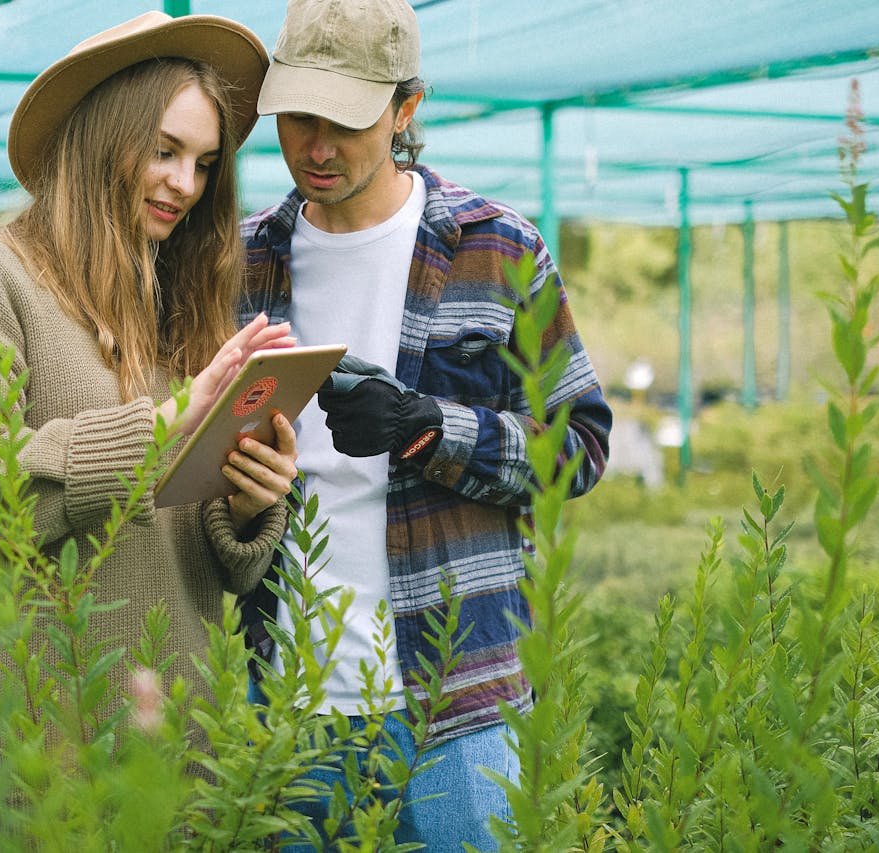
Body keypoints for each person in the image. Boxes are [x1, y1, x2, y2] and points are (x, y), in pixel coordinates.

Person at [238, 0, 613, 848]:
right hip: (286, 698)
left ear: (406, 109)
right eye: (298, 118)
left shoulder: (498, 250)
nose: (317, 148)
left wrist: (426, 428)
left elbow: (579, 449)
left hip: (457, 701)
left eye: (346, 121)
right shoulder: (241, 259)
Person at [0, 11, 298, 786]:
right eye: (164, 151)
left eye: (205, 163)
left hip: (180, 745)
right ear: (102, 139)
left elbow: (186, 542)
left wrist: (246, 504)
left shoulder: (173, 300)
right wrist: (170, 421)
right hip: (35, 754)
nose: (186, 183)